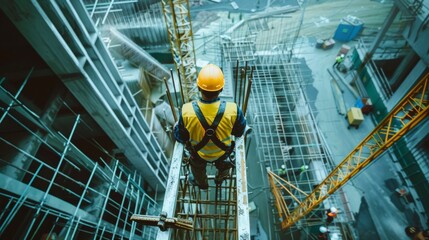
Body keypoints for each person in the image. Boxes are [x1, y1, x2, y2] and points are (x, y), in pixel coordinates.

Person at [174, 64, 247, 189]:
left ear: (198, 87)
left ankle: (202, 184)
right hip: (223, 153)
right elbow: (239, 132)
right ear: (221, 88)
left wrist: (178, 126)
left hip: (198, 154)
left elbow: (181, 137)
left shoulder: (186, 111)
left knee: (197, 169)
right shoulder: (233, 109)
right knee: (225, 165)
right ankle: (220, 179)